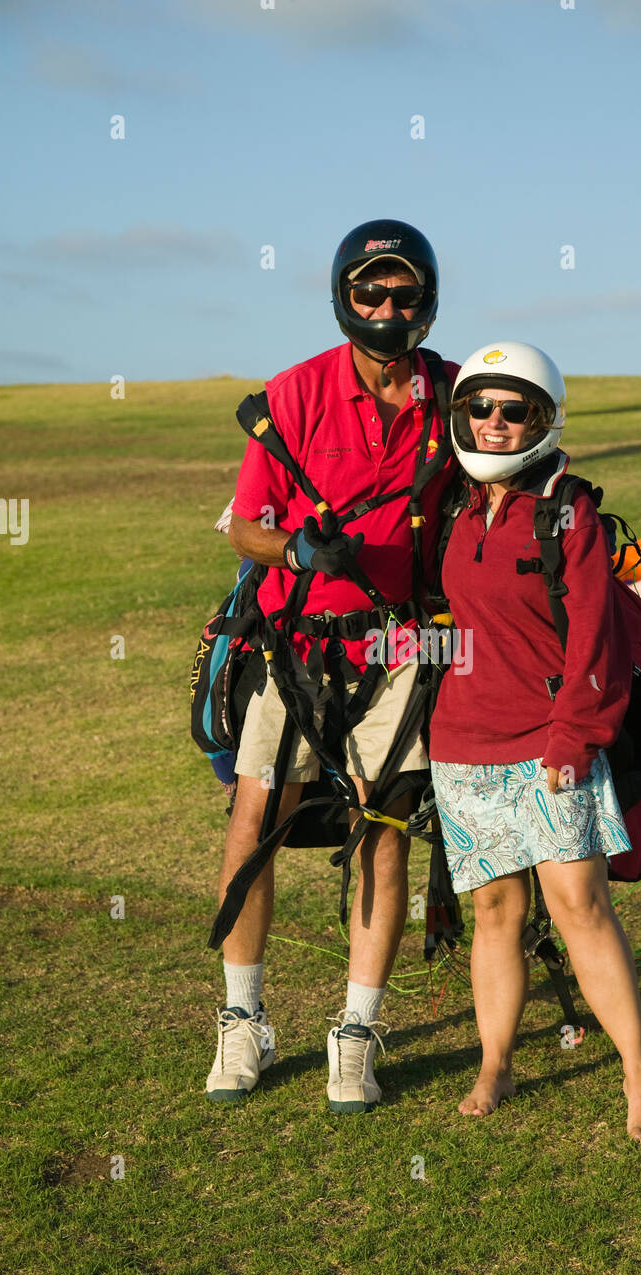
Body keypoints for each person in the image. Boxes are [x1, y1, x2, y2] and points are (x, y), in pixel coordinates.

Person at [205, 219, 459, 1111]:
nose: (388, 309)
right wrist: (295, 552)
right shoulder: (295, 393)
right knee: (254, 822)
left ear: (427, 299)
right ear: (343, 296)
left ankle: (355, 1034)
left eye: (404, 293)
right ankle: (243, 1021)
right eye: (370, 292)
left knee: (381, 833)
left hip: (401, 649)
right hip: (296, 644)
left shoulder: (458, 396)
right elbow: (241, 525)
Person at [428, 342, 641, 1141]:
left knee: (580, 906)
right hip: (462, 747)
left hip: (552, 746)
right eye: (480, 408)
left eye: (514, 410)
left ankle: (638, 1079)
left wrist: (574, 740)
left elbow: (594, 644)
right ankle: (494, 1063)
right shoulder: (454, 509)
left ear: (542, 419)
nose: (494, 424)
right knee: (494, 912)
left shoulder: (570, 513)